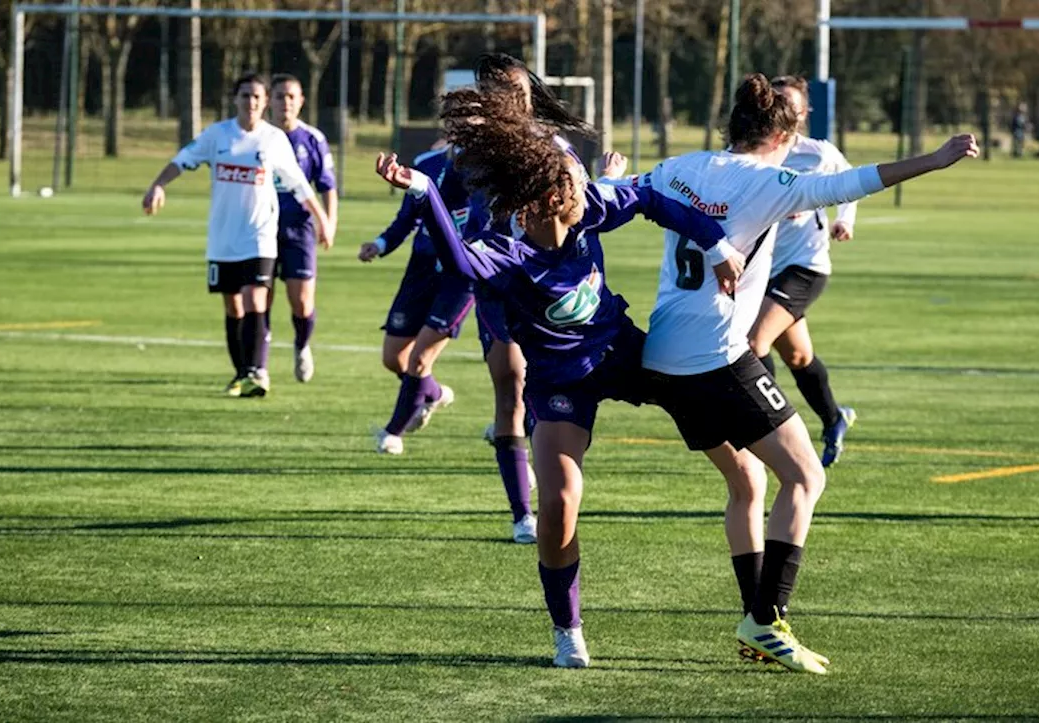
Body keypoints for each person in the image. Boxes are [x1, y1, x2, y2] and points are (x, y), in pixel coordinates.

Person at [374, 84, 743, 669]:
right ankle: (567, 628)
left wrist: (717, 242)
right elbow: (460, 264)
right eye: (572, 183)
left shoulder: (590, 206)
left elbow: (652, 200)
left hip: (623, 354)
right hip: (560, 384)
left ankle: (753, 520)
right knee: (561, 502)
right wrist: (423, 191)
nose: (584, 188)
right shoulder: (507, 253)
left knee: (727, 439)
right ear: (543, 203)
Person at [633, 73, 979, 673]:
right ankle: (767, 620)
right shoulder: (772, 181)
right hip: (716, 355)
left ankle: (755, 622)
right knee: (806, 477)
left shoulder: (678, 166)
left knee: (747, 483)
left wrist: (613, 172)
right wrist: (938, 159)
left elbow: (617, 193)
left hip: (661, 357)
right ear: (785, 136)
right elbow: (856, 181)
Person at [466, 53, 602, 547]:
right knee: (511, 385)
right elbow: (470, 223)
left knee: (543, 394)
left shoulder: (559, 149)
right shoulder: (477, 155)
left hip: (555, 294)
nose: (512, 103)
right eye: (500, 94)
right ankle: (522, 512)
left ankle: (549, 475)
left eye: (519, 94)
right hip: (503, 289)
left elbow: (583, 212)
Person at [142, 73, 328, 398]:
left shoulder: (273, 140)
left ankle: (257, 372)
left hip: (260, 236)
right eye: (245, 96)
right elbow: (182, 160)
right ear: (235, 99)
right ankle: (242, 372)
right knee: (232, 307)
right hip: (224, 237)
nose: (251, 102)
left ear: (265, 101)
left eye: (257, 97)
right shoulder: (217, 135)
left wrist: (322, 218)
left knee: (254, 298)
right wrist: (158, 184)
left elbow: (299, 183)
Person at [747, 75, 859, 468]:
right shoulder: (754, 153)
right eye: (776, 101)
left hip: (805, 266)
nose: (784, 109)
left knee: (754, 342)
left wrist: (846, 220)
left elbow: (851, 183)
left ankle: (773, 429)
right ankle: (834, 418)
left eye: (792, 105)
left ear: (804, 113)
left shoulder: (817, 154)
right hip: (762, 271)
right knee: (798, 356)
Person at [358, 143, 475, 464]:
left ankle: (393, 432)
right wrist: (381, 244)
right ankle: (433, 393)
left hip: (461, 276)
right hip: (421, 268)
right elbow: (409, 215)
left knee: (420, 359)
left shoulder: (490, 163)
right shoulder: (427, 161)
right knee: (394, 357)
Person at [267, 73, 338, 383]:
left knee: (301, 300)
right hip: (261, 227)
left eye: (291, 96)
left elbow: (327, 185)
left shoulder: (313, 139)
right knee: (259, 299)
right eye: (280, 96)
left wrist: (330, 222)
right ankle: (259, 365)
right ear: (269, 99)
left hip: (300, 228)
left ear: (301, 101)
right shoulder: (258, 137)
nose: (286, 102)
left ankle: (302, 345)